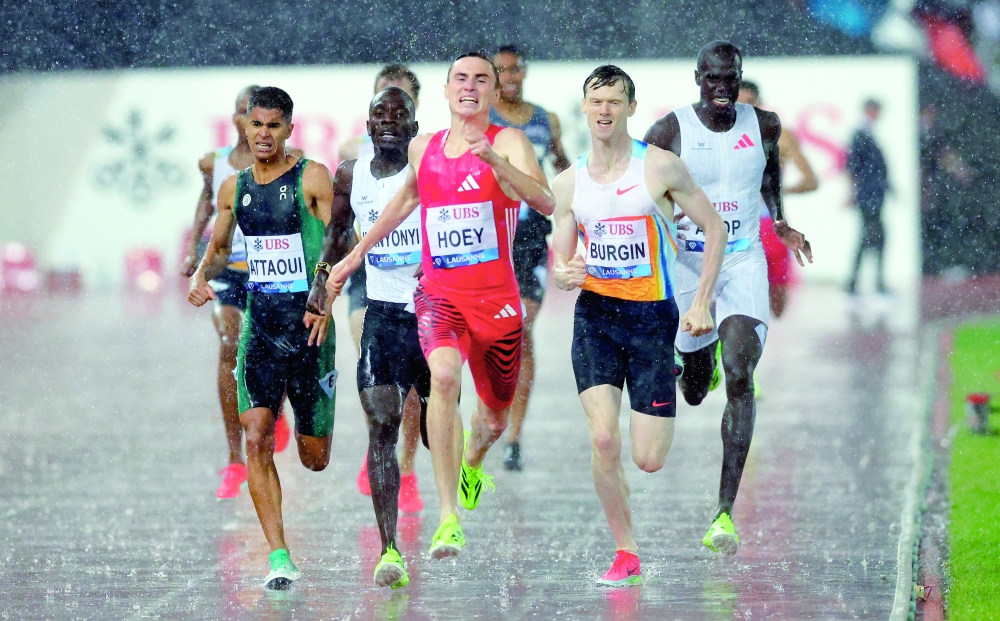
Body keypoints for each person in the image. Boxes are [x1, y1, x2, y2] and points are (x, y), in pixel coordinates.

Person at [327, 52, 555, 559]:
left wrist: (495, 163)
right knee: (444, 379)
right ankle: (448, 517)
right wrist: (352, 258)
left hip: (496, 302)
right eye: (461, 79)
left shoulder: (511, 141)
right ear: (448, 91)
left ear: (493, 93)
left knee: (493, 418)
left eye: (481, 80)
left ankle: (473, 460)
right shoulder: (424, 149)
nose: (470, 87)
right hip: (439, 297)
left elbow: (546, 202)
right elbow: (402, 203)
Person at [551, 65, 726, 585]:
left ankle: (693, 358)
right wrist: (565, 274)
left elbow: (713, 226)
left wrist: (703, 303)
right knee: (604, 440)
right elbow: (562, 264)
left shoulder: (661, 168)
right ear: (584, 107)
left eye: (613, 101)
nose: (603, 111)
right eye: (595, 101)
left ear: (630, 107)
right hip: (597, 319)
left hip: (653, 319)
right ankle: (626, 551)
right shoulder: (568, 183)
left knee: (648, 459)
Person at [644, 41, 812, 556]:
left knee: (741, 372)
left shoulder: (764, 124)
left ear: (740, 78)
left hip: (741, 261)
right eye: (713, 78)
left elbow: (768, 173)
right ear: (698, 77)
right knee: (695, 391)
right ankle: (699, 364)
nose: (722, 88)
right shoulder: (669, 131)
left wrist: (779, 218)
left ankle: (723, 513)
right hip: (689, 267)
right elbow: (644, 192)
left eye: (731, 79)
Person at [188, 86, 337, 589]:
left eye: (274, 126)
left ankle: (305, 425)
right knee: (257, 435)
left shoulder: (311, 176)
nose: (264, 134)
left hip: (310, 329)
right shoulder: (234, 187)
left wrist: (321, 286)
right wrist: (199, 275)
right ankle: (279, 556)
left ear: (289, 129)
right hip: (261, 325)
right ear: (244, 126)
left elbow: (338, 239)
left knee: (314, 458)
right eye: (257, 125)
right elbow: (221, 242)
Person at [305, 87, 422, 589]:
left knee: (440, 433)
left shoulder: (428, 168)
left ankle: (457, 493)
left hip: (433, 315)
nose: (390, 121)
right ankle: (389, 548)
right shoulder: (350, 173)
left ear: (414, 127)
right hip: (382, 316)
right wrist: (321, 285)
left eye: (401, 115)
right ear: (369, 126)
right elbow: (336, 234)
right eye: (380, 114)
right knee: (381, 424)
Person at [180, 86, 293, 500]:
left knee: (274, 348)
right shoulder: (215, 164)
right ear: (238, 121)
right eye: (248, 116)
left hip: (272, 272)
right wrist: (194, 253)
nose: (257, 125)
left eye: (266, 120)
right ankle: (234, 457)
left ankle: (273, 412)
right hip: (228, 270)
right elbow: (205, 204)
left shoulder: (291, 164)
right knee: (230, 342)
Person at [339, 65, 424, 512]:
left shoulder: (429, 157)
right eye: (381, 103)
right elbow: (338, 224)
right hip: (369, 283)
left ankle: (406, 464)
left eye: (401, 102)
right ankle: (380, 440)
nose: (390, 112)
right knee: (375, 369)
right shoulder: (350, 158)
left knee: (414, 389)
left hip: (422, 290)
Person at [490, 45, 572, 471]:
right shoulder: (482, 120)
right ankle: (488, 415)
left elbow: (562, 165)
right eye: (500, 70)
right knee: (488, 335)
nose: (509, 77)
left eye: (515, 69)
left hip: (530, 236)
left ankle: (514, 437)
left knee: (521, 328)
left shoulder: (545, 118)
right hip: (489, 234)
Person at [738, 80, 819, 317]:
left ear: (759, 104)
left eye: (748, 105)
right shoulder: (714, 138)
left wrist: (776, 192)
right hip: (733, 225)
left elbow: (811, 181)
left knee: (777, 304)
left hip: (768, 226)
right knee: (736, 296)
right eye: (738, 105)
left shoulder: (780, 137)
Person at [845, 99, 889, 294]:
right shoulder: (860, 135)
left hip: (873, 195)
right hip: (868, 195)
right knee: (871, 237)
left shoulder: (866, 134)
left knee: (871, 237)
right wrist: (853, 191)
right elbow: (853, 167)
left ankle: (858, 282)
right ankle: (863, 282)